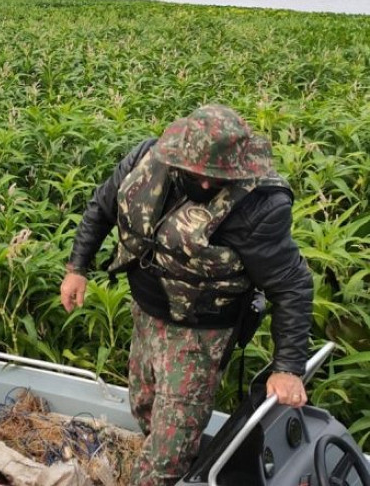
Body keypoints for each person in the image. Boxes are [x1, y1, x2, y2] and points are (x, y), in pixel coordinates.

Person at [59, 105, 312, 485]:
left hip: (201, 333)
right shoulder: (144, 160)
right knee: (144, 405)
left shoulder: (258, 206)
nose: (207, 185)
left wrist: (288, 367)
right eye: (199, 175)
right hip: (146, 313)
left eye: (219, 178)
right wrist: (77, 268)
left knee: (168, 451)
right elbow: (101, 209)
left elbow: (291, 285)